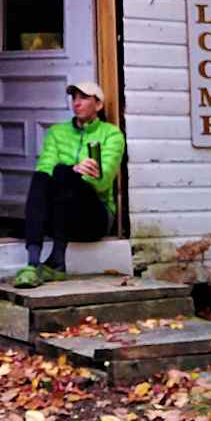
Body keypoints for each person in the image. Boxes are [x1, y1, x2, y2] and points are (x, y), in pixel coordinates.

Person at [13, 81, 125, 288]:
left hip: (94, 219)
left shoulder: (112, 135)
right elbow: (46, 170)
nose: (77, 103)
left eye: (83, 98)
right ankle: (32, 263)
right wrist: (74, 169)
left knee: (64, 176)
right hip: (59, 217)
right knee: (44, 177)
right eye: (74, 98)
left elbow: (102, 182)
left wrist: (77, 174)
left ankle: (57, 260)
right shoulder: (57, 132)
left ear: (98, 105)